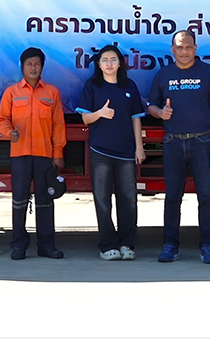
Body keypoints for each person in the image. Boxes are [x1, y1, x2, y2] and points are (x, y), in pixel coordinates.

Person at [148, 30, 210, 264]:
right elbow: (151, 105)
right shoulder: (164, 74)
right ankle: (170, 245)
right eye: (180, 47)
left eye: (188, 47)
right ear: (172, 49)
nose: (184, 51)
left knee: (206, 196)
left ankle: (208, 246)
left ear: (195, 48)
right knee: (173, 196)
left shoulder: (208, 72)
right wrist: (160, 113)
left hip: (203, 142)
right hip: (173, 141)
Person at [76, 45, 146, 261]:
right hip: (100, 150)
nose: (109, 64)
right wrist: (100, 113)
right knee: (102, 199)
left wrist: (139, 147)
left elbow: (136, 118)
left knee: (128, 199)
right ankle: (107, 245)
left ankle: (126, 244)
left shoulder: (129, 86)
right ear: (98, 64)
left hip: (126, 151)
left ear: (119, 63)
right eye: (104, 60)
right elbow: (85, 118)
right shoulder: (93, 86)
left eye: (113, 59)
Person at [0, 47, 66, 261]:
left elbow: (58, 125)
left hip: (45, 153)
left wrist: (58, 152)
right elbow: (2, 120)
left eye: (37, 64)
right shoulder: (12, 92)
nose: (33, 67)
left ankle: (46, 246)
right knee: (19, 199)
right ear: (22, 67)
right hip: (20, 153)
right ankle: (19, 245)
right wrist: (10, 132)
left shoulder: (52, 93)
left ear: (42, 67)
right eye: (29, 64)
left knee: (45, 200)